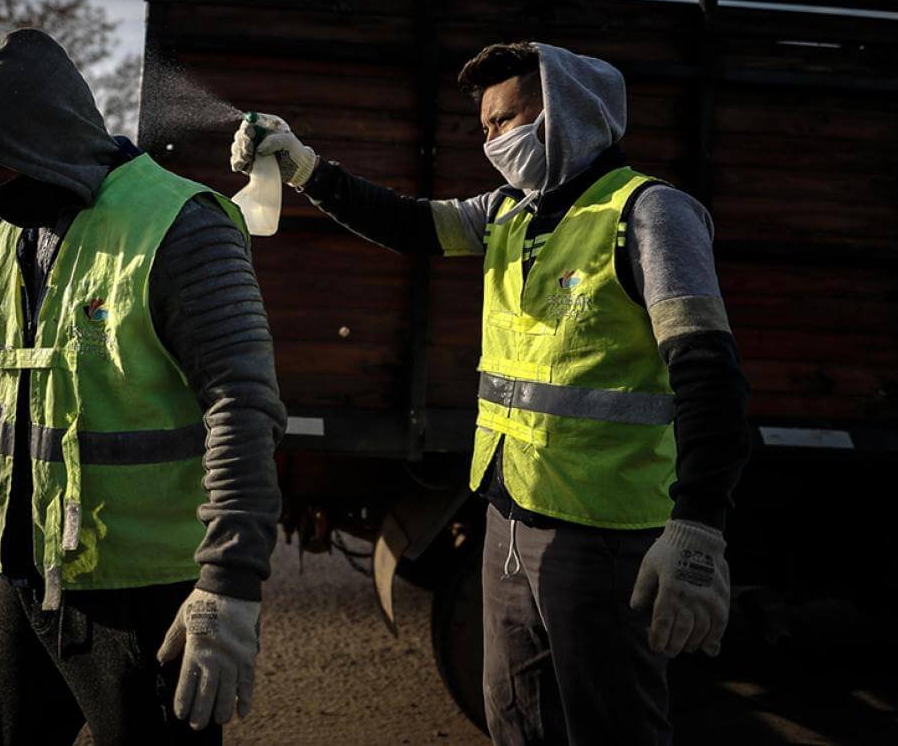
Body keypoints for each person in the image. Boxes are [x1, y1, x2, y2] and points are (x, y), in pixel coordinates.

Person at [230, 42, 751, 745]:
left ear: (564, 114)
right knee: (515, 711)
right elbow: (408, 222)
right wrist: (305, 167)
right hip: (506, 513)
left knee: (612, 722)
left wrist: (697, 526)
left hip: (601, 531)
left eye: (504, 121)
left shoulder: (650, 212)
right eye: (483, 129)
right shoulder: (511, 212)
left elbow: (709, 373)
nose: (491, 141)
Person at [0, 28, 287, 745]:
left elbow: (243, 403)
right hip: (27, 573)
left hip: (142, 600)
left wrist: (229, 579)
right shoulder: (9, 240)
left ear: (40, 141)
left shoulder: (178, 225)